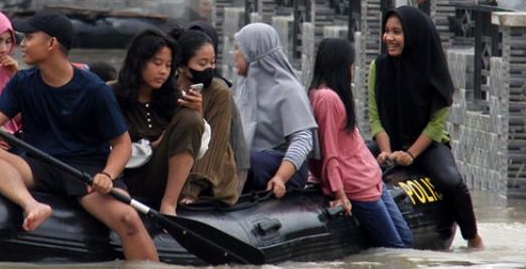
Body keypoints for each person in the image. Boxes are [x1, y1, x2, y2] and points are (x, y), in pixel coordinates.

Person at [0, 10, 159, 261]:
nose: (21, 44)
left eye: (30, 37)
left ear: (51, 43)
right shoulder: (23, 81)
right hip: (38, 164)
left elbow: (122, 145)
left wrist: (108, 175)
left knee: (128, 219)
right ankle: (32, 205)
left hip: (85, 171)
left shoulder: (94, 89)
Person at [369, 5, 484, 250]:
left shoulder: (434, 72)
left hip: (427, 145)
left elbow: (436, 124)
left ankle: (473, 237)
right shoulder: (377, 68)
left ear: (413, 36)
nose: (389, 38)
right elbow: (375, 117)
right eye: (386, 31)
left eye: (397, 32)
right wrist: (387, 152)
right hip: (389, 143)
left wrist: (411, 155)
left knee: (452, 182)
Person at [309, 38, 412, 248]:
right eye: (351, 65)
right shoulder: (327, 99)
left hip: (371, 179)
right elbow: (330, 151)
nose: (352, 70)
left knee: (405, 241)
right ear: (342, 66)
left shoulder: (330, 96)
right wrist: (339, 194)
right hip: (358, 186)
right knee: (395, 248)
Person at [112, 30, 206, 216]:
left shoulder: (174, 98)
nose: (163, 71)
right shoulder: (111, 94)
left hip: (160, 180)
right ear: (139, 62)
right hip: (120, 180)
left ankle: (169, 204)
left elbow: (198, 147)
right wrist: (152, 145)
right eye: (157, 63)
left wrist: (197, 112)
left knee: (191, 119)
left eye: (168, 65)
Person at [233, 23, 317, 198]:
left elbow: (303, 140)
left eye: (238, 49)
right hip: (253, 160)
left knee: (246, 159)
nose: (234, 55)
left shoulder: (288, 90)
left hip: (284, 168)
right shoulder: (245, 87)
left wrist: (280, 177)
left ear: (252, 53)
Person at [172, 27, 244, 205]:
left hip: (211, 181)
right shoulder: (169, 89)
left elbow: (215, 144)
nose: (209, 69)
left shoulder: (219, 93)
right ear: (181, 66)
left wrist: (192, 190)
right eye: (202, 64)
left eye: (212, 63)